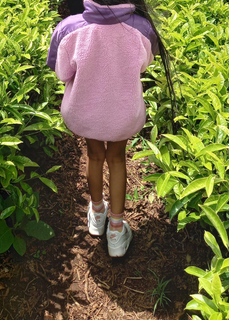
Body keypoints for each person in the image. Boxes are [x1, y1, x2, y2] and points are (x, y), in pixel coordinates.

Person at [47, 0, 176, 257]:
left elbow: (61, 71)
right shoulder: (142, 28)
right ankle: (116, 231)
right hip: (123, 114)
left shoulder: (69, 29)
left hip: (86, 113)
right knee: (117, 159)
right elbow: (142, 65)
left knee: (94, 156)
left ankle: (96, 214)